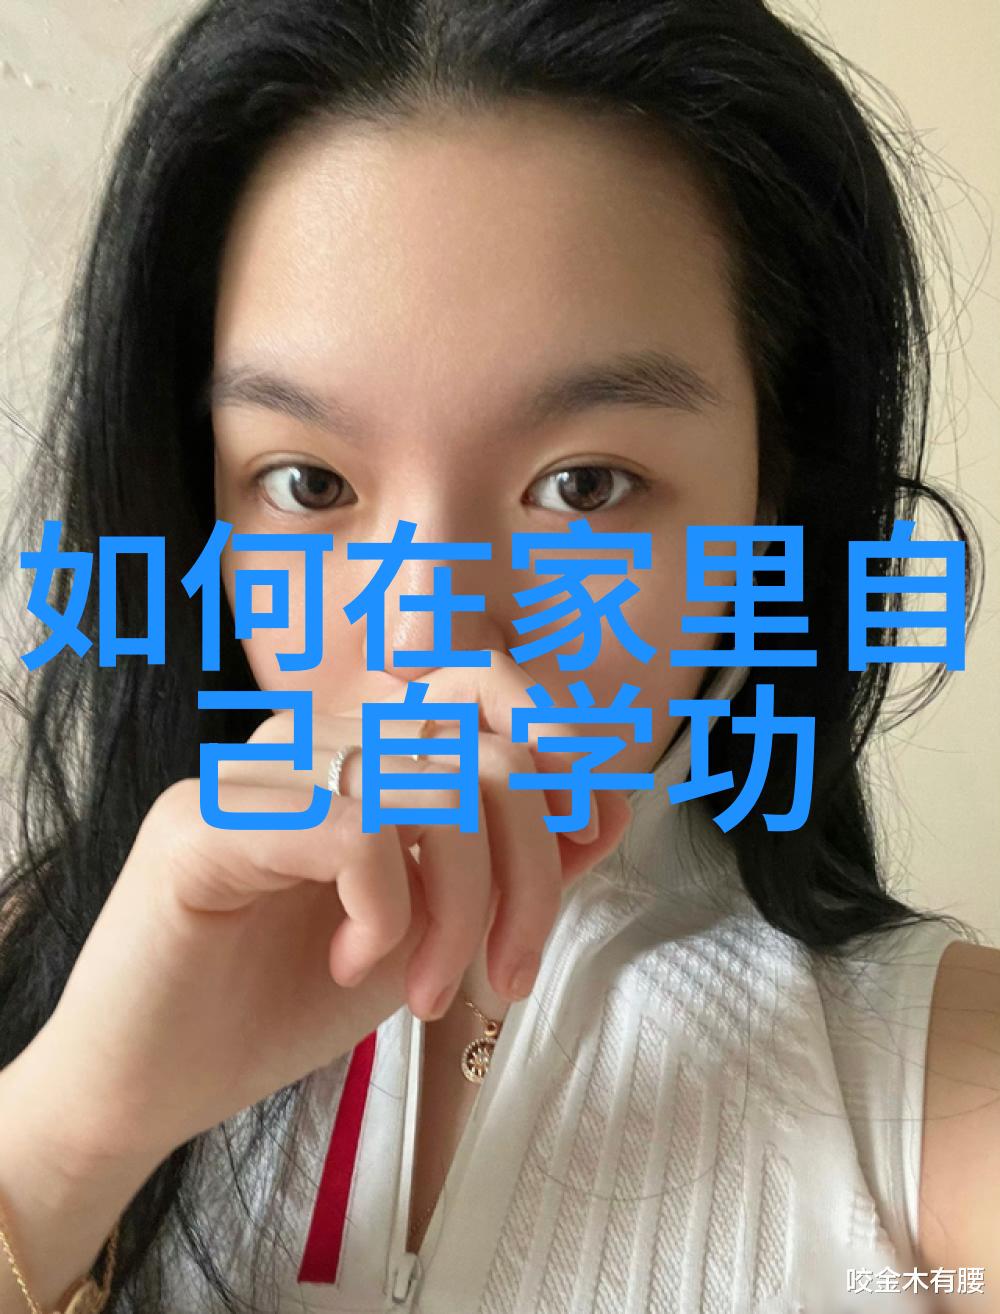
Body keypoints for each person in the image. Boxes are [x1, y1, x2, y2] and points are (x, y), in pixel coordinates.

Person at [0, 1, 995, 1311]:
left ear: (774, 494)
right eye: (307, 483)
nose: (427, 630)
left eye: (585, 486)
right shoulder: (54, 961)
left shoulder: (943, 1100)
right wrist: (69, 1134)